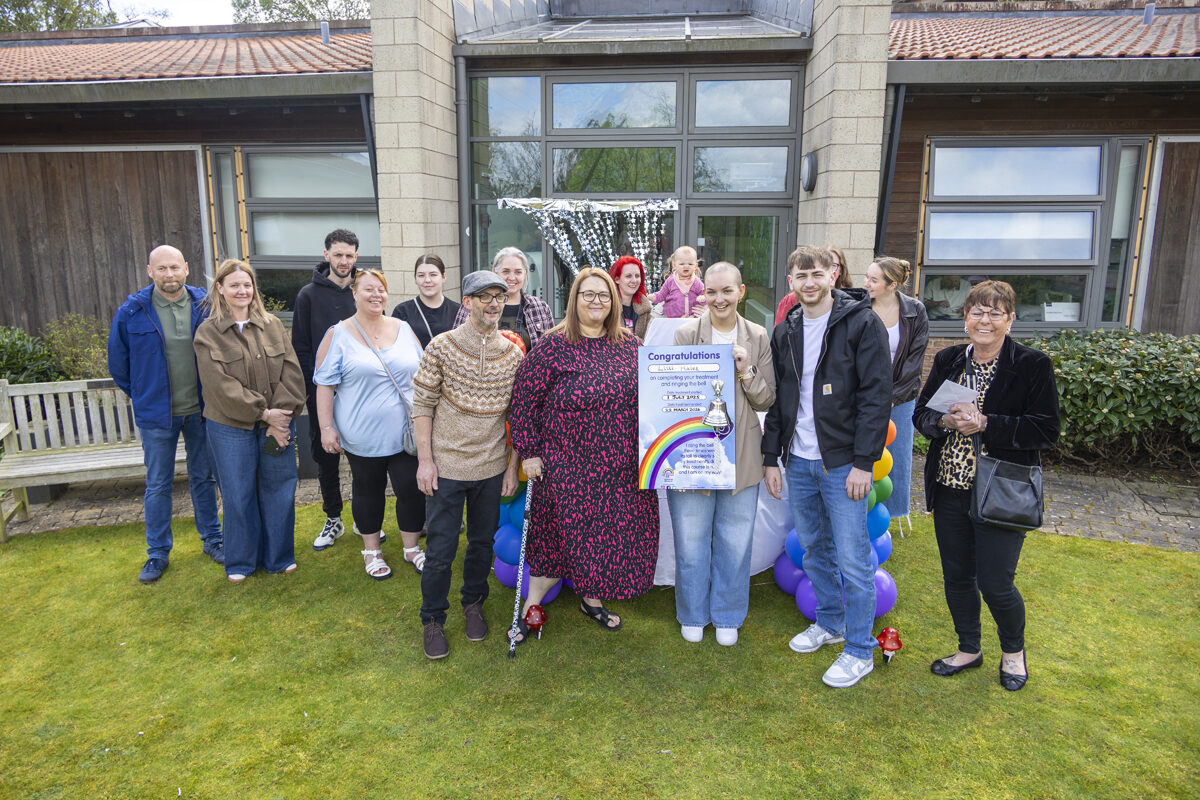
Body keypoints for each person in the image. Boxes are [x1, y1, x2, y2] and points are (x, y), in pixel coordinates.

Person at [913, 280, 1059, 692]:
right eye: (977, 311)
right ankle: (969, 648)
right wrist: (944, 422)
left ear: (1010, 320)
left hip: (1001, 491)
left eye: (996, 312)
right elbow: (922, 415)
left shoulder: (1032, 365)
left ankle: (1013, 652)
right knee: (957, 577)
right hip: (950, 487)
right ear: (965, 318)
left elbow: (1046, 430)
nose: (985, 320)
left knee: (996, 582)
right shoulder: (947, 361)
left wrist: (987, 423)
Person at [508, 268, 660, 644]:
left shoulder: (631, 345)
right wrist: (528, 451)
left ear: (614, 302)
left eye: (604, 295)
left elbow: (659, 395)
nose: (596, 302)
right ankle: (534, 601)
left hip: (620, 464)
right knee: (558, 537)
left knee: (606, 536)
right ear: (574, 300)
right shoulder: (552, 345)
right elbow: (524, 402)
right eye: (588, 295)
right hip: (567, 464)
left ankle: (591, 600)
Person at [763, 245, 891, 688]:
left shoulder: (862, 322)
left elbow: (877, 397)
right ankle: (831, 623)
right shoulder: (786, 330)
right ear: (791, 281)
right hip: (798, 459)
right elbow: (782, 399)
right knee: (815, 548)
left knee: (854, 559)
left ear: (833, 275)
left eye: (817, 273)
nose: (810, 282)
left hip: (843, 465)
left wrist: (863, 463)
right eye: (801, 275)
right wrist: (772, 457)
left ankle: (860, 649)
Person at [414, 271, 524, 660]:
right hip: (446, 467)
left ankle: (473, 604)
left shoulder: (513, 354)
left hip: (491, 467)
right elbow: (422, 406)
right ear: (466, 302)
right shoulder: (441, 347)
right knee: (441, 549)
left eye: (499, 296)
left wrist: (512, 468)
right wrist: (425, 461)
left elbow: (519, 415)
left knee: (481, 544)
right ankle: (433, 620)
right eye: (484, 296)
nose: (493, 303)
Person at [667, 263, 776, 646]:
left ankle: (728, 613)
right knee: (691, 540)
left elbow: (767, 398)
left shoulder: (759, 336)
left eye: (726, 291)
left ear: (741, 291)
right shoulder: (684, 334)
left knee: (735, 540)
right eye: (711, 292)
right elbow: (671, 397)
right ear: (702, 295)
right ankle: (693, 612)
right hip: (693, 454)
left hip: (741, 454)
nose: (719, 299)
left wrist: (746, 371)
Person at [108, 245, 224, 583]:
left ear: (187, 268)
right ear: (150, 271)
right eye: (162, 269)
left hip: (202, 411)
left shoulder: (206, 305)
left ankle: (213, 540)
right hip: (157, 417)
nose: (169, 274)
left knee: (203, 477)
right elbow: (119, 364)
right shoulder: (132, 312)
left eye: (174, 267)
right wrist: (146, 395)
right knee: (158, 484)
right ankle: (157, 553)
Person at [193, 259, 306, 582]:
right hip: (230, 427)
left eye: (247, 285)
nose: (242, 291)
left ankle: (279, 557)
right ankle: (241, 561)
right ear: (220, 289)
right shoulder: (208, 333)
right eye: (234, 285)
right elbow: (219, 385)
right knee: (238, 493)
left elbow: (292, 372)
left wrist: (278, 418)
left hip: (277, 424)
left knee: (279, 489)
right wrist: (263, 413)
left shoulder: (272, 325)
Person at [314, 269, 426, 581]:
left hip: (406, 432)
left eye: (381, 289)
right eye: (368, 289)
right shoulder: (338, 334)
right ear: (354, 293)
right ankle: (372, 551)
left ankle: (412, 548)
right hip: (361, 434)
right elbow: (324, 385)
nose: (376, 295)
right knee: (368, 491)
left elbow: (426, 372)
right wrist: (326, 428)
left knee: (411, 489)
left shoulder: (403, 328)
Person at [292, 229, 360, 551]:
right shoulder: (308, 295)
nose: (343, 261)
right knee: (326, 459)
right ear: (326, 256)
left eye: (349, 255)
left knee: (364, 458)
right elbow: (301, 348)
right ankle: (333, 517)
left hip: (360, 395)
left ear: (356, 257)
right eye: (338, 255)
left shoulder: (363, 292)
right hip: (323, 395)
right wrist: (315, 389)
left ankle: (363, 517)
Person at [864, 256, 929, 521]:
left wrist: (891, 398)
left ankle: (893, 514)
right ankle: (859, 507)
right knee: (864, 453)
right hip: (864, 396)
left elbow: (914, 361)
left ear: (892, 285)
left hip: (900, 397)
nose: (866, 283)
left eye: (874, 280)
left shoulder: (915, 311)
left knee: (897, 456)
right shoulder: (860, 306)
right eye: (866, 277)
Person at [452, 247, 554, 352]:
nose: (511, 277)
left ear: (525, 274)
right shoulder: (474, 304)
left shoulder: (539, 307)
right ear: (495, 272)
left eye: (518, 272)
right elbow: (456, 345)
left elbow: (551, 351)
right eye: (506, 271)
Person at [392, 253, 461, 349]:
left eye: (433, 275)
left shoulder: (458, 311)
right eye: (421, 275)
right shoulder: (402, 311)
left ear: (444, 277)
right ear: (415, 279)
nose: (427, 280)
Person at [775, 245, 853, 325]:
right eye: (801, 276)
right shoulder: (782, 331)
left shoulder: (857, 321)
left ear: (832, 277)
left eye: (817, 275)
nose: (809, 284)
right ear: (791, 282)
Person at [651, 245, 706, 318]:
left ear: (695, 266)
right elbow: (662, 294)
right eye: (682, 264)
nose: (686, 266)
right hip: (673, 319)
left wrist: (703, 298)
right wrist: (654, 297)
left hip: (692, 318)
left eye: (690, 264)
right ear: (674, 266)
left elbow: (706, 294)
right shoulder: (671, 280)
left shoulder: (696, 281)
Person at [609, 255, 652, 339]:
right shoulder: (607, 306)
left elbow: (649, 340)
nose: (634, 281)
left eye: (637, 276)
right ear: (617, 279)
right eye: (628, 276)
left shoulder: (645, 308)